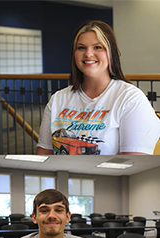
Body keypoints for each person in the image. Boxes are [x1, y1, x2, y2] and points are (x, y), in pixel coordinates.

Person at [37, 20, 160, 155]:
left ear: (111, 53)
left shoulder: (130, 98)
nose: (88, 54)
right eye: (81, 48)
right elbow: (44, 155)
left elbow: (133, 162)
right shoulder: (58, 99)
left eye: (97, 47)